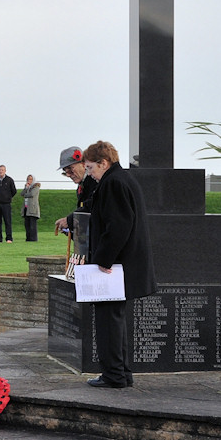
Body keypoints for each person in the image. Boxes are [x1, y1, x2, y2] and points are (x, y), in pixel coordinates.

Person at [83, 141, 157, 389]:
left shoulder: (113, 182)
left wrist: (103, 259)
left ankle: (114, 375)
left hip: (114, 266)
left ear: (104, 163)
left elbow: (118, 226)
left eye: (90, 168)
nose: (89, 173)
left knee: (108, 322)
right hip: (123, 265)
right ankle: (121, 373)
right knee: (114, 321)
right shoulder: (122, 179)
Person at [54, 146, 98, 262]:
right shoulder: (81, 187)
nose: (68, 174)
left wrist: (70, 220)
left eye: (70, 169)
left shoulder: (95, 183)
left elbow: (91, 206)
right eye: (65, 172)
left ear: (83, 164)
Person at [0, 165, 17, 243]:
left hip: (6, 204)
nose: (1, 171)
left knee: (7, 221)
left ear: (5, 171)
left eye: (2, 170)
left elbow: (14, 191)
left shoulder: (9, 180)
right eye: (0, 170)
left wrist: (8, 197)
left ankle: (9, 238)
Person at [22, 175, 41, 242]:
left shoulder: (36, 187)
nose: (29, 181)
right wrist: (26, 188)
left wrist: (25, 194)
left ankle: (33, 239)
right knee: (27, 225)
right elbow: (22, 193)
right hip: (26, 208)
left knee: (32, 225)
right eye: (28, 179)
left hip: (33, 208)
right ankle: (28, 238)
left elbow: (32, 194)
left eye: (30, 179)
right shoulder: (27, 187)